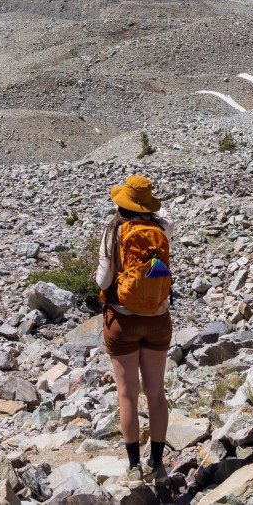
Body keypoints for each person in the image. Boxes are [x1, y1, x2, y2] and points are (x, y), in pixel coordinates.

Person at [96, 174, 173, 485]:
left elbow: (103, 281)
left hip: (122, 320)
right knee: (156, 392)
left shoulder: (113, 231)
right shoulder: (161, 228)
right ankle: (157, 462)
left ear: (122, 202)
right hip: (158, 318)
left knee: (127, 394)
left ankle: (133, 467)